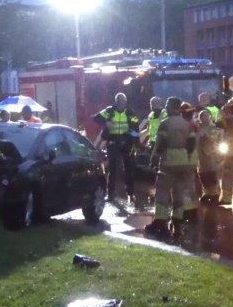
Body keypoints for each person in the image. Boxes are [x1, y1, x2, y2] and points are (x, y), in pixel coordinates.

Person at [147, 97, 198, 236]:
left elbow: (160, 143)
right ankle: (177, 220)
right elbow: (192, 143)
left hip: (168, 161)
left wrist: (153, 159)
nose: (166, 107)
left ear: (173, 107)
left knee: (162, 191)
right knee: (178, 191)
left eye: (168, 105)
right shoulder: (187, 124)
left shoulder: (165, 123)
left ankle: (160, 223)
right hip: (184, 162)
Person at [93, 92, 140, 201]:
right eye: (120, 101)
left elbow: (135, 127)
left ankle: (130, 192)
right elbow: (96, 118)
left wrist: (135, 142)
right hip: (113, 141)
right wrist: (106, 122)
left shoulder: (129, 112)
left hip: (126, 142)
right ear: (117, 102)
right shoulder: (109, 111)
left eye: (123, 101)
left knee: (128, 168)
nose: (122, 103)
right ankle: (110, 193)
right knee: (112, 168)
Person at [195, 108, 221, 204]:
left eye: (206, 116)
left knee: (211, 174)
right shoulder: (197, 128)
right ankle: (207, 193)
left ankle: (214, 194)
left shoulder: (213, 128)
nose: (204, 118)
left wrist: (205, 136)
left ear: (210, 117)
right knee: (202, 174)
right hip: (200, 156)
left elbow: (214, 139)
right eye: (202, 116)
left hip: (210, 154)